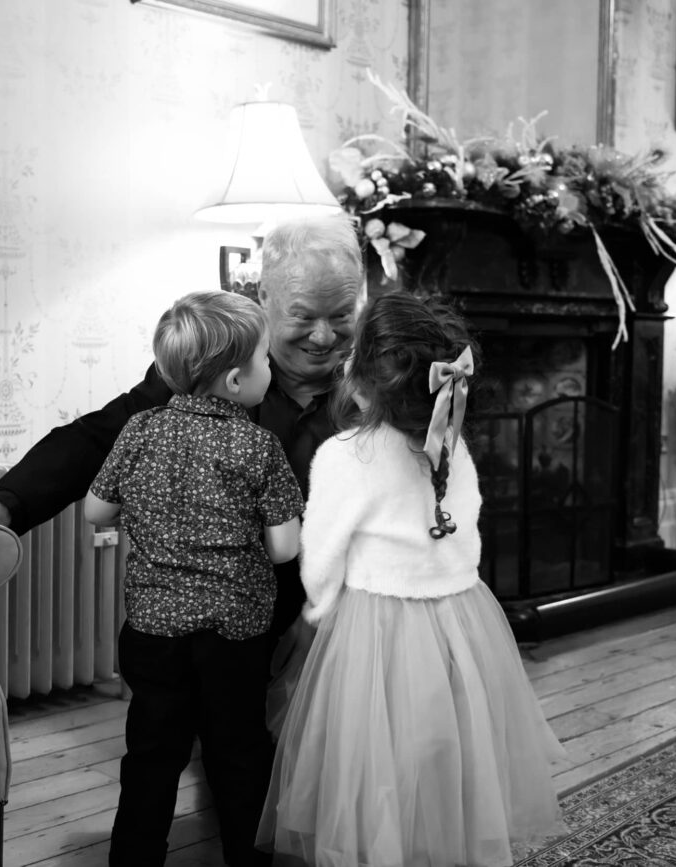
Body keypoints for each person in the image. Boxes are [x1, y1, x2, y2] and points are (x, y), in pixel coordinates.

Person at [0, 213, 363, 641]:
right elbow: (103, 436)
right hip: (226, 622)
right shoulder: (209, 362)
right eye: (303, 316)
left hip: (349, 612)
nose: (324, 337)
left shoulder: (381, 376)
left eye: (342, 315)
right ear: (264, 296)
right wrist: (5, 505)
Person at [257, 291, 566, 867]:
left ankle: (383, 847)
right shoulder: (452, 446)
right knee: (449, 743)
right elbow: (467, 526)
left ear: (360, 376)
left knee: (374, 755)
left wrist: (315, 615)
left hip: (374, 626)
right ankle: (441, 840)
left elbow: (322, 551)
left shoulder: (347, 454)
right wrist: (456, 579)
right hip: (459, 615)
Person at [84, 291, 304, 867]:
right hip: (234, 634)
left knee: (152, 753)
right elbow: (284, 551)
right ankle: (245, 858)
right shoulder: (259, 446)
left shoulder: (139, 431)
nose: (270, 370)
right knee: (238, 750)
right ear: (235, 381)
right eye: (263, 360)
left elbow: (95, 512)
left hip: (153, 631)